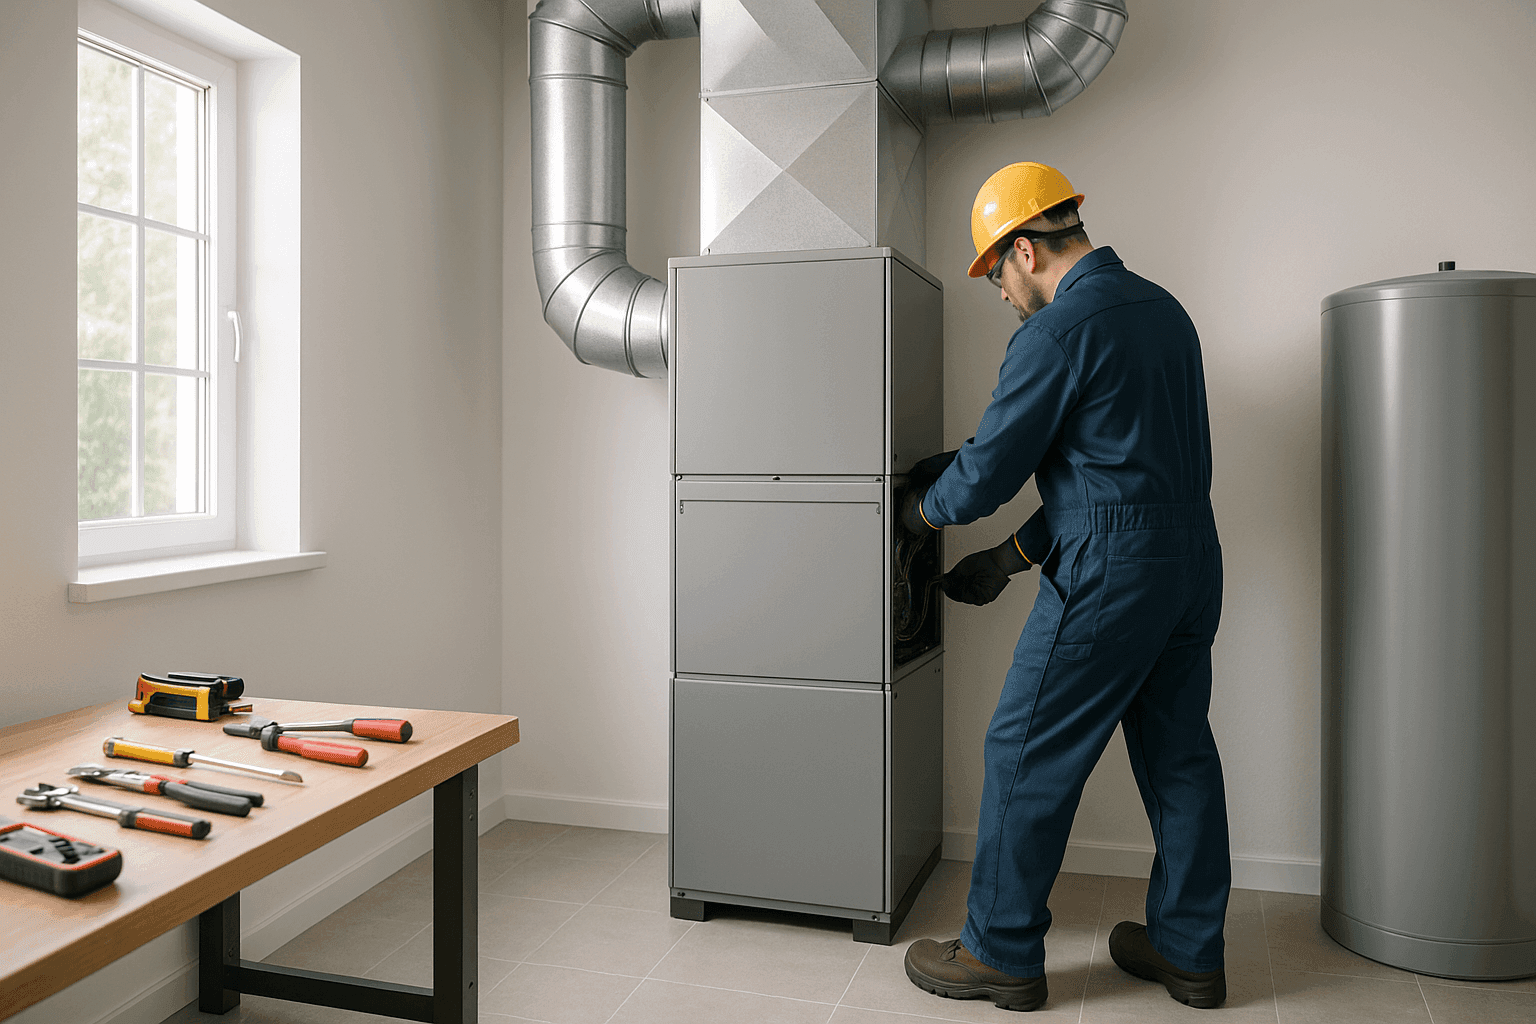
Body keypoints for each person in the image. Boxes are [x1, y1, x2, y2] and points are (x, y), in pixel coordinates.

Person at [897, 162, 1230, 1012]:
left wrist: (922, 516)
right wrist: (1011, 559)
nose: (1002, 296)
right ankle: (1190, 951)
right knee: (1179, 755)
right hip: (1190, 561)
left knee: (1024, 749)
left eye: (996, 278)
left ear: (1022, 251)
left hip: (1114, 576)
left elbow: (990, 474)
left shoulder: (1055, 332)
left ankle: (999, 952)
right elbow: (1119, 480)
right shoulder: (1167, 312)